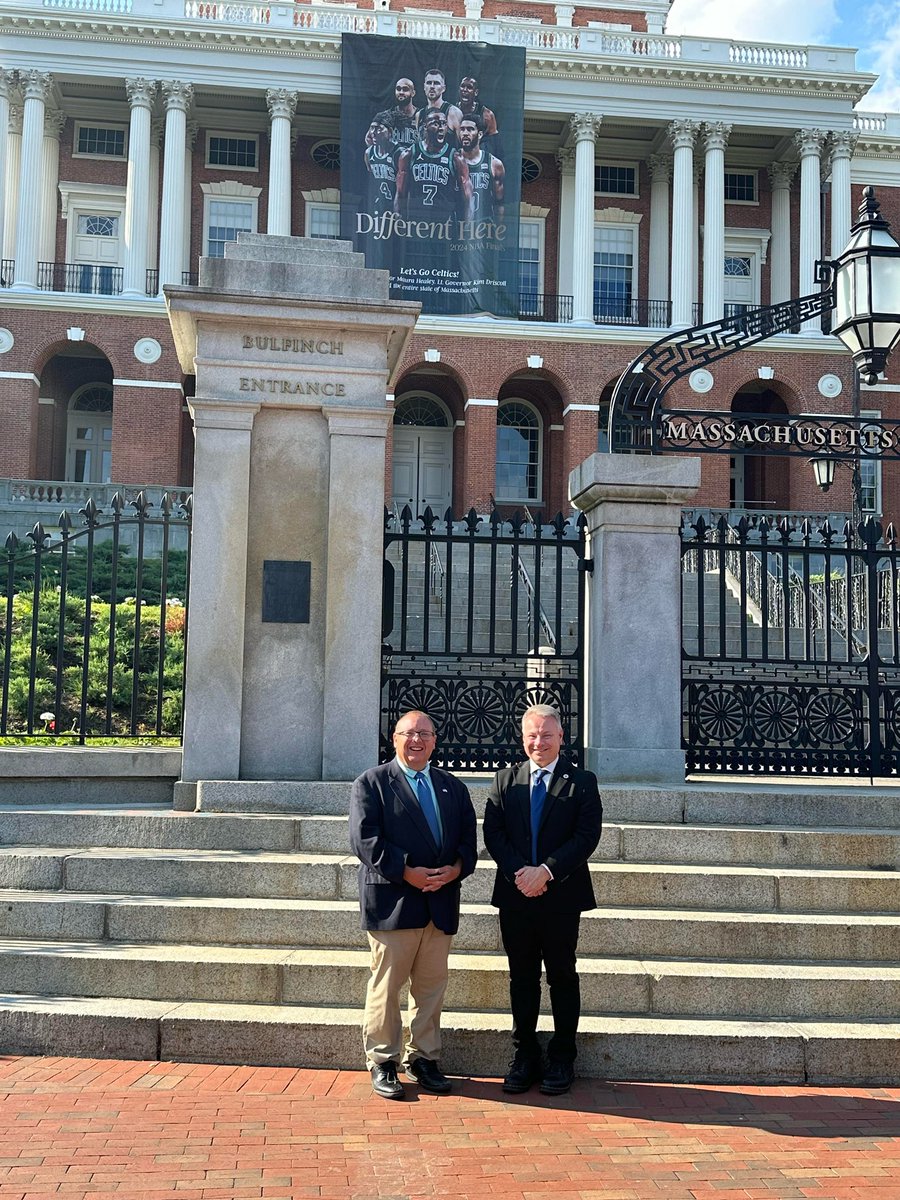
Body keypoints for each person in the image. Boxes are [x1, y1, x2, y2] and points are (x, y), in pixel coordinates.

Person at [349, 710, 477, 1101]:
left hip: (440, 902)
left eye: (424, 733)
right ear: (395, 738)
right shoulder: (372, 783)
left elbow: (468, 842)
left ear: (435, 741)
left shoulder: (452, 787)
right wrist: (407, 872)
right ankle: (383, 1061)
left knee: (431, 988)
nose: (416, 740)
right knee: (387, 988)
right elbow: (364, 840)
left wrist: (456, 870)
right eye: (409, 733)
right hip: (394, 902)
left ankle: (424, 1058)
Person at [482, 704, 603, 1097]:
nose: (539, 742)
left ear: (561, 737)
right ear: (523, 738)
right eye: (532, 735)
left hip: (561, 896)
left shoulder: (581, 782)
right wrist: (521, 873)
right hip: (516, 894)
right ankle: (525, 1055)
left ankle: (563, 1056)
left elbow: (586, 836)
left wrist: (546, 871)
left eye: (547, 735)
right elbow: (494, 833)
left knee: (562, 976)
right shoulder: (505, 780)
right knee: (522, 977)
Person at [394, 109, 473, 223]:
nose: (441, 128)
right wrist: (398, 217)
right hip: (416, 222)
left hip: (444, 224)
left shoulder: (456, 158)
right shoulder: (409, 154)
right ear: (425, 126)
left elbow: (467, 197)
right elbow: (400, 193)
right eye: (436, 124)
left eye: (444, 124)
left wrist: (467, 224)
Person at [458, 113, 505, 222]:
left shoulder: (494, 164)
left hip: (484, 225)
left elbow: (499, 203)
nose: (465, 133)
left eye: (470, 129)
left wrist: (498, 228)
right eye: (462, 129)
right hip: (456, 225)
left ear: (479, 134)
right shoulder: (453, 159)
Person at [415, 67, 463, 140]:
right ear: (424, 87)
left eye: (436, 83)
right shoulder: (419, 115)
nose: (432, 86)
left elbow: (462, 144)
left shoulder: (454, 113)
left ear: (443, 88)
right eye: (429, 83)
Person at [390, 77, 419, 150]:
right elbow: (370, 138)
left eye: (405, 89)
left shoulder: (422, 115)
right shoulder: (388, 115)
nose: (401, 92)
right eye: (398, 89)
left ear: (413, 93)